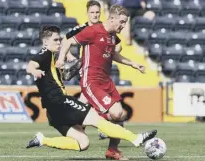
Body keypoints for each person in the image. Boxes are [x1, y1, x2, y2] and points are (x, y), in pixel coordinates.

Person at [26, 25, 157, 156]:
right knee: (96, 119)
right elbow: (31, 65)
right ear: (45, 42)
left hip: (52, 111)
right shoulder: (45, 52)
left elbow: (59, 65)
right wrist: (34, 71)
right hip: (60, 102)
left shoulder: (52, 58)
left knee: (83, 143)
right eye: (55, 40)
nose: (59, 42)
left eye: (59, 39)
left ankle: (42, 140)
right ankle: (135, 138)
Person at [56, 4, 146, 160]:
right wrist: (61, 59)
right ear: (112, 18)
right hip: (91, 81)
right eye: (122, 22)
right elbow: (67, 41)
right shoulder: (93, 31)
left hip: (106, 81)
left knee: (119, 115)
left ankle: (112, 151)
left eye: (125, 22)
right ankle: (78, 123)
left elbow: (113, 54)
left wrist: (133, 63)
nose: (123, 26)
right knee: (115, 113)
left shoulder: (112, 35)